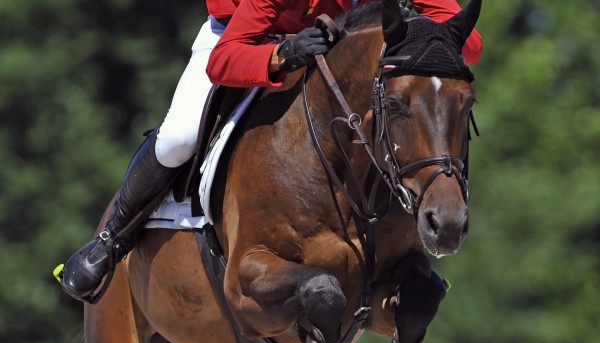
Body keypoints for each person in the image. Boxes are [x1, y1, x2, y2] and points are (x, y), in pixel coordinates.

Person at [60, 0, 482, 302]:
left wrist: (423, 29)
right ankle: (111, 239)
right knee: (179, 138)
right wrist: (283, 52)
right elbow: (223, 60)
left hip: (338, 48)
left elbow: (470, 44)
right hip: (244, 39)